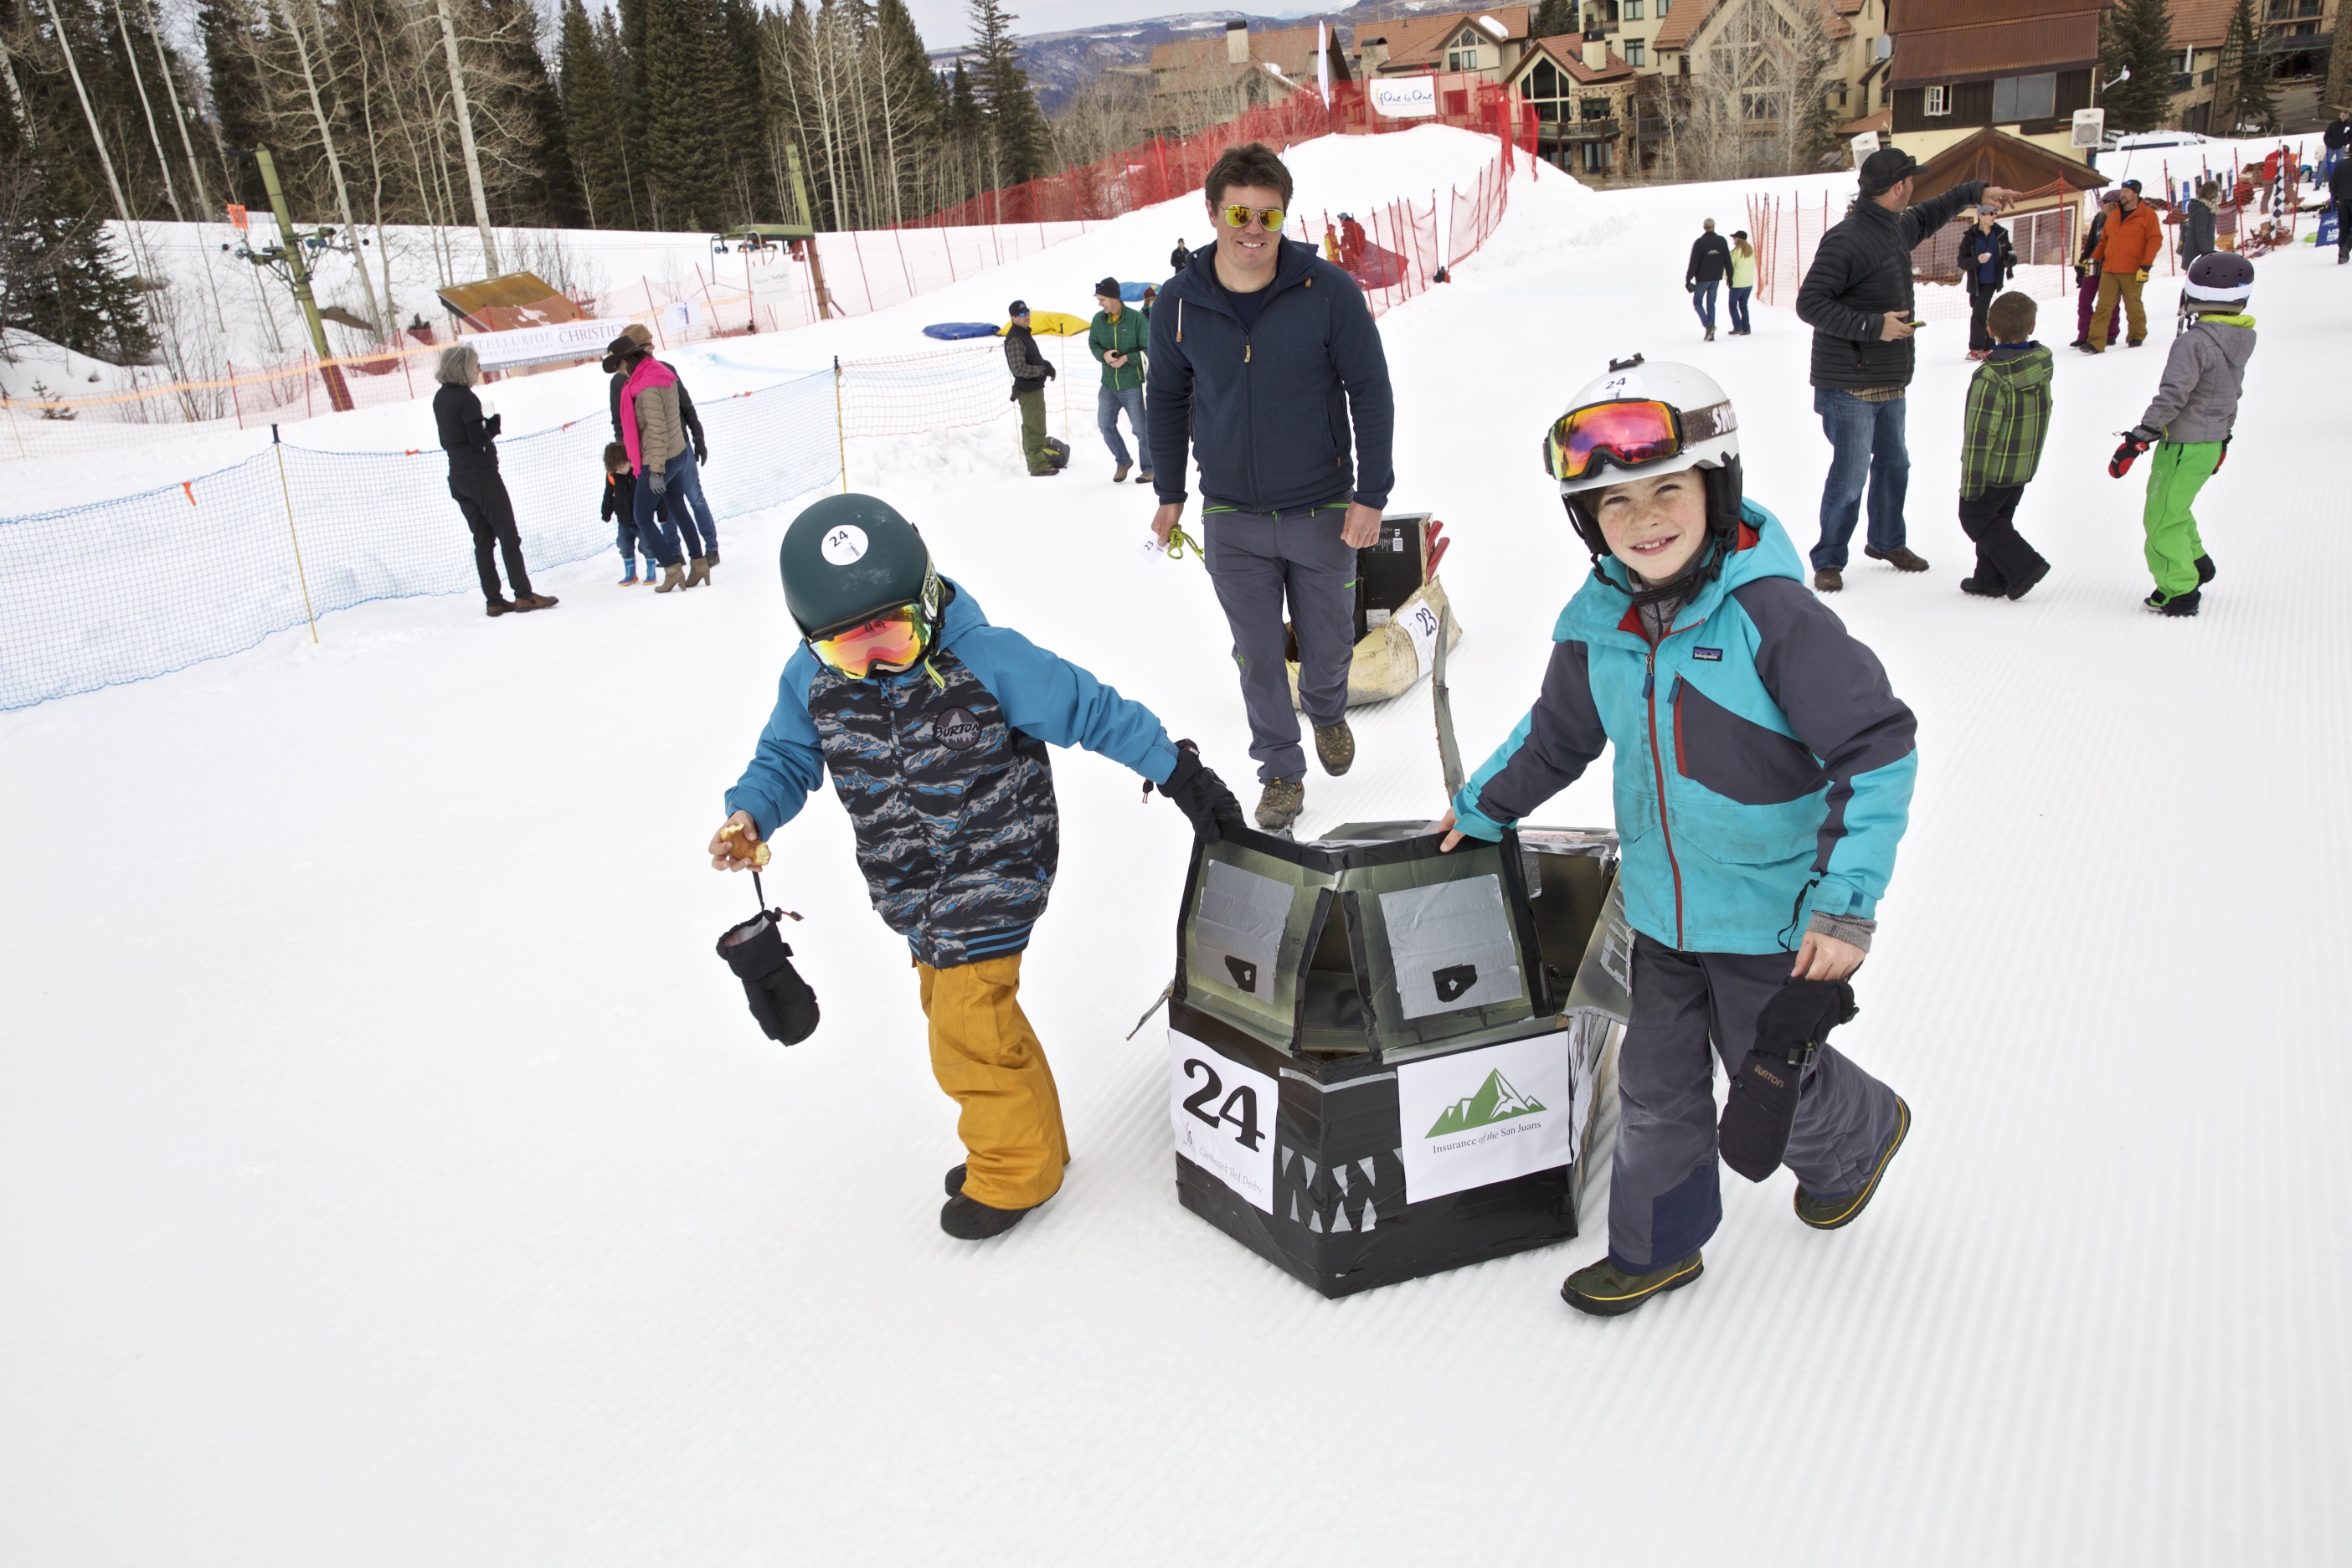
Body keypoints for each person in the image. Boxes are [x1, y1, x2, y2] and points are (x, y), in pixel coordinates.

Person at [1437, 356, 1916, 1318]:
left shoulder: (1769, 616)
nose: (1643, 519)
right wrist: (1483, 805)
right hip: (1658, 913)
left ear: (1715, 485)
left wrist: (1844, 905)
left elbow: (1876, 750)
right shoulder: (1598, 623)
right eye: (1613, 504)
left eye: (1666, 490)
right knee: (1655, 1090)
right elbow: (1555, 735)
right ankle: (1657, 1244)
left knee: (1769, 1083)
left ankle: (1860, 1133)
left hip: (1773, 920)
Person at [710, 494, 1242, 1239]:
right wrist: (750, 813)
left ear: (927, 600)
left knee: (963, 1023)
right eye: (848, 651)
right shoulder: (810, 680)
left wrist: (1180, 772)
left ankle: (1012, 1171)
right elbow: (787, 755)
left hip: (998, 860)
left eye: (893, 635)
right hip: (912, 882)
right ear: (811, 641)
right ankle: (1034, 1143)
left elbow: (1091, 708)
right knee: (966, 1011)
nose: (877, 662)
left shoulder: (985, 658)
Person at [1145, 141, 1397, 832]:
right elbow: (1165, 398)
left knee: (1327, 646)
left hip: (1323, 507)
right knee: (1256, 651)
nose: (1252, 230)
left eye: (1268, 215)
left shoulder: (1328, 292)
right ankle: (1281, 771)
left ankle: (1325, 707)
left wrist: (1370, 494)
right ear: (1211, 212)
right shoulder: (1178, 304)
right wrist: (1170, 490)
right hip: (1232, 513)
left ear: (1283, 217)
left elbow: (1369, 390)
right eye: (1238, 213)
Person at [1795, 147, 2017, 592]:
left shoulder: (1895, 227)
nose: (1915, 187)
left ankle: (1886, 541)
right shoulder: (1847, 239)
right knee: (1852, 472)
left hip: (1889, 379)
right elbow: (1810, 303)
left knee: (1895, 464)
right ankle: (1830, 557)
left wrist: (1977, 192)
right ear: (1898, 187)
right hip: (1849, 385)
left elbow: (1936, 210)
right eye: (1911, 180)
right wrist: (1875, 327)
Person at [2108, 252, 2257, 618]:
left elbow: (2173, 395)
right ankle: (2197, 562)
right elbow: (2231, 393)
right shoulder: (2240, 338)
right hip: (2208, 444)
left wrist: (2139, 438)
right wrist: (2223, 439)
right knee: (2177, 508)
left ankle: (2179, 589)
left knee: (2160, 519)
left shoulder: (2193, 343)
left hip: (2184, 445)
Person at [432, 343, 556, 617]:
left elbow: (446, 440)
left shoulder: (440, 398)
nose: (478, 369)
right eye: (474, 365)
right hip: (482, 475)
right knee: (508, 535)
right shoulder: (467, 398)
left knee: (483, 540)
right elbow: (478, 440)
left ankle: (494, 600)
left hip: (458, 476)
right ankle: (524, 595)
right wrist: (493, 427)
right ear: (463, 368)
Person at [1956, 292, 2053, 600]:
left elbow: (1979, 436)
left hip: (1995, 469)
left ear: (1990, 328)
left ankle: (2025, 566)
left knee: (1975, 517)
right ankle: (1988, 578)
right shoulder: (2039, 365)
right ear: (2032, 327)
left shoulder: (1991, 378)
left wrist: (1971, 484)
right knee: (2000, 519)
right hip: (2023, 464)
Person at [604, 321, 719, 567]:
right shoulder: (619, 383)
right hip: (650, 455)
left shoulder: (665, 370)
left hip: (678, 448)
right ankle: (675, 553)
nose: (653, 347)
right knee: (667, 508)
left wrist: (698, 438)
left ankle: (710, 548)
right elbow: (620, 424)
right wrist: (627, 457)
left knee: (694, 498)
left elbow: (686, 407)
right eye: (647, 344)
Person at [2083, 178, 2161, 353]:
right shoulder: (2114, 216)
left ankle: (2136, 335)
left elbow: (2154, 241)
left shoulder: (2148, 215)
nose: (2122, 194)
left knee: (2133, 305)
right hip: (2109, 269)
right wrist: (2094, 259)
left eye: (2126, 191)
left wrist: (2146, 266)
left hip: (2133, 269)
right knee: (2103, 306)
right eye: (2122, 190)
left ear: (2136, 194)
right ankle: (2095, 342)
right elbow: (2104, 242)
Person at [1088, 277, 1151, 485]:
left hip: (1132, 384)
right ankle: (1123, 461)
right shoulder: (1098, 320)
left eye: (1103, 299)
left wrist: (1127, 358)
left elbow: (1149, 349)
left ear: (1115, 298)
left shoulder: (1136, 319)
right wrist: (1103, 355)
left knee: (1141, 430)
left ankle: (1149, 468)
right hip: (1108, 385)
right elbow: (1093, 344)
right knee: (1105, 425)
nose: (1100, 304)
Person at [1004, 301, 1061, 478]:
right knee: (1034, 428)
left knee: (1035, 426)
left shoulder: (1024, 334)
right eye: (1021, 314)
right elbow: (1018, 368)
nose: (1026, 316)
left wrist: (1046, 366)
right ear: (1013, 318)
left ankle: (1037, 462)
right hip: (1028, 390)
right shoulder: (1015, 338)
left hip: (1034, 387)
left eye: (1027, 312)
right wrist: (1040, 370)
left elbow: (1032, 358)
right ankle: (1038, 465)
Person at [1962, 206, 2016, 359]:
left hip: (1992, 281)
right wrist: (1977, 260)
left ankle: (1976, 348)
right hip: (1976, 283)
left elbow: (2008, 254)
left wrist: (2011, 259)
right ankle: (1989, 347)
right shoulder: (1970, 237)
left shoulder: (2001, 234)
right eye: (1990, 213)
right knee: (1981, 313)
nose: (1994, 216)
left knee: (1978, 313)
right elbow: (1962, 261)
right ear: (1980, 216)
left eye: (1995, 213)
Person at [2072, 191, 2125, 349]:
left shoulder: (2122, 222)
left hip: (2112, 267)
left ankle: (2110, 334)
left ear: (2114, 204)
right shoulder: (2098, 219)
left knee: (2110, 302)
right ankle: (2084, 334)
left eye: (2105, 201)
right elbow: (2091, 243)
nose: (2101, 203)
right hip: (2094, 264)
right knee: (2084, 300)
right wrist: (2082, 261)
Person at [602, 441, 655, 587]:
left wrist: (661, 514)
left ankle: (651, 572)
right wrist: (606, 513)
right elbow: (608, 495)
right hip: (624, 521)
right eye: (616, 469)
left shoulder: (639, 473)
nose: (621, 470)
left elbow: (655, 493)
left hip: (642, 520)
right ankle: (631, 575)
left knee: (647, 546)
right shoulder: (613, 477)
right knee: (624, 546)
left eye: (622, 466)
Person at [1686, 218, 1731, 342]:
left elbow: (1694, 262)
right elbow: (1727, 260)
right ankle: (1711, 333)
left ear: (1704, 227)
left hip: (1702, 279)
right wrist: (1730, 277)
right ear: (1713, 227)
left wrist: (1688, 279)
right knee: (1711, 304)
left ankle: (1708, 325)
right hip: (1716, 278)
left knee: (1697, 303)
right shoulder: (1722, 241)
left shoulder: (1699, 243)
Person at [2180, 180, 2219, 270]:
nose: (2217, 194)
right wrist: (2207, 252)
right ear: (2211, 193)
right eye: (2216, 192)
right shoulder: (2203, 210)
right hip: (2197, 253)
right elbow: (2201, 233)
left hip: (2198, 251)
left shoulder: (2205, 207)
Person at [1726, 229, 1756, 336]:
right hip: (1749, 283)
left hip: (1737, 284)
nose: (1733, 239)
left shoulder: (1735, 252)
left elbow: (1729, 268)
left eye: (1734, 237)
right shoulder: (1751, 251)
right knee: (1743, 306)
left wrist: (1727, 278)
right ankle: (1746, 327)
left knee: (1733, 305)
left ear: (1738, 239)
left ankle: (1738, 327)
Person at [2329, 155, 2352, 265]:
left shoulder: (2341, 165)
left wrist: (2336, 197)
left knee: (2344, 227)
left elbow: (2332, 184)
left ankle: (2341, 254)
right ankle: (2347, 247)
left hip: (2343, 201)